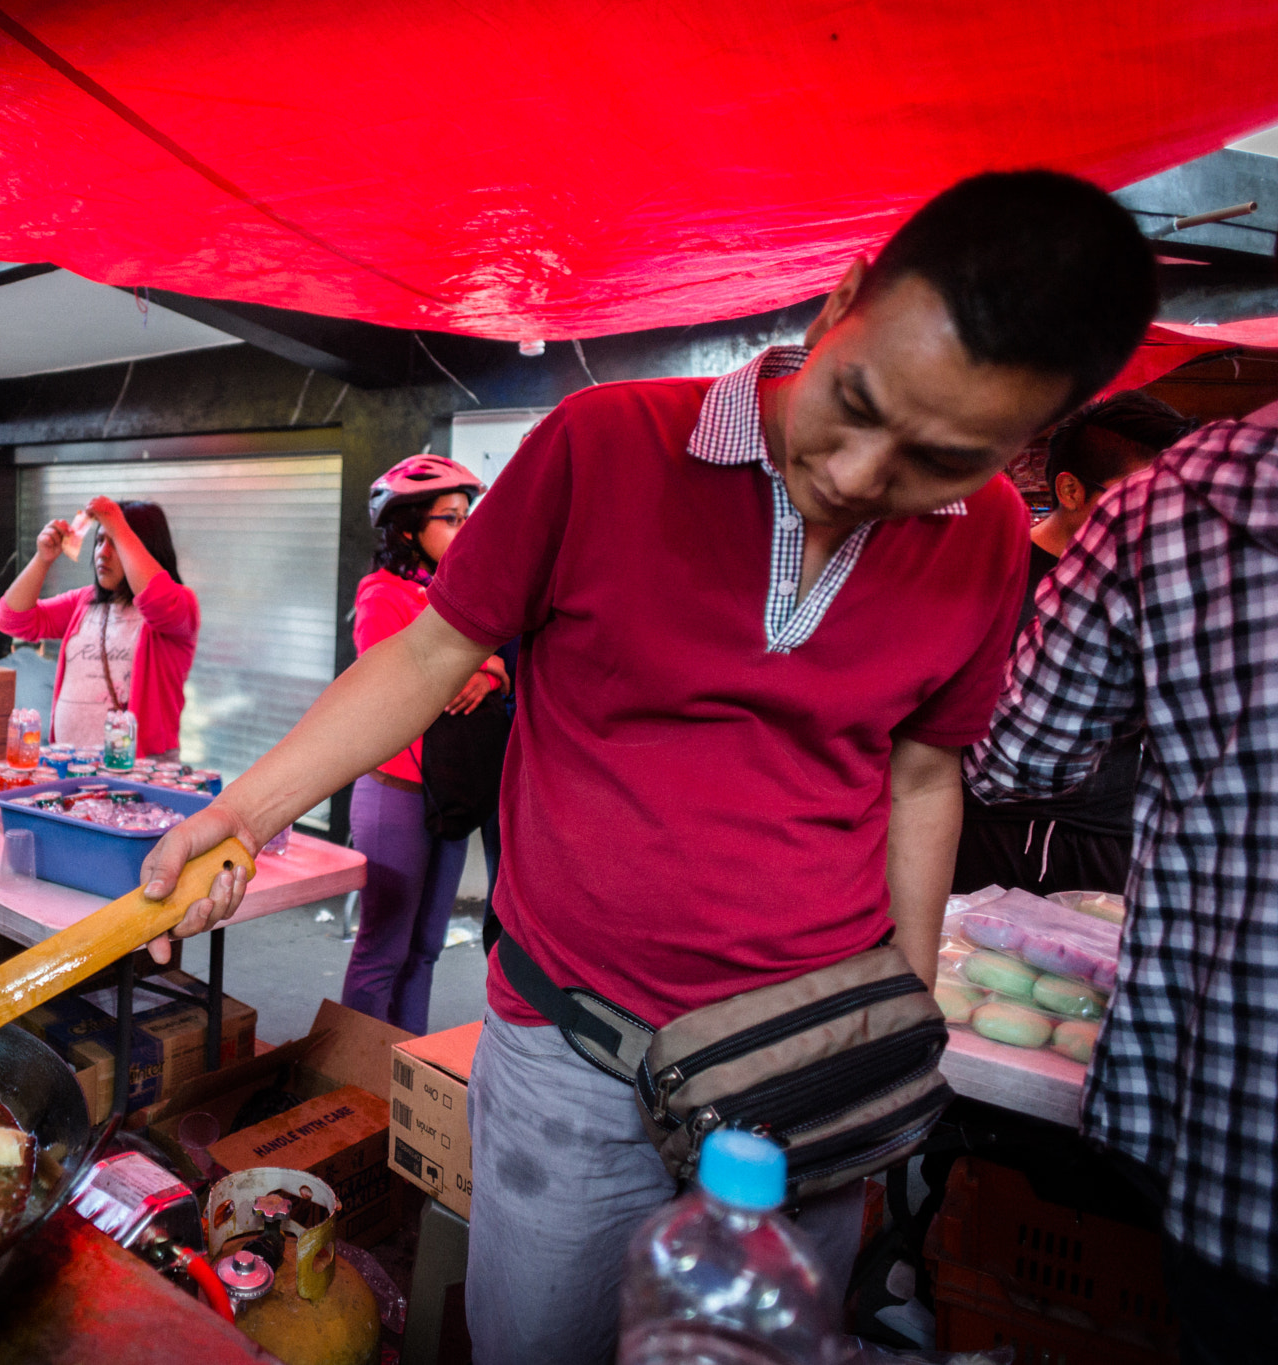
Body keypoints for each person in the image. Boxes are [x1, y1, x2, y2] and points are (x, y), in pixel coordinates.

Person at [136, 170, 1158, 1363]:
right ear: (844, 300)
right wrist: (243, 814)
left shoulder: (983, 534)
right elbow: (428, 656)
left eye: (939, 455)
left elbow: (922, 776)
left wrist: (901, 1009)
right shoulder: (604, 444)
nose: (862, 473)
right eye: (858, 402)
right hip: (577, 1046)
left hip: (801, 1068)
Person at [965, 405, 1278, 1364]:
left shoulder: (1169, 506)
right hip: (1024, 859)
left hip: (1240, 1133)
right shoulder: (1000, 561)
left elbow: (1015, 749)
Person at [952, 392, 1193, 896]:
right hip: (986, 836)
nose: (1169, 514)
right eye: (1144, 496)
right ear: (1071, 489)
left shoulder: (1177, 586)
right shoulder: (990, 572)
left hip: (1114, 844)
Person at [342, 456, 507, 1032]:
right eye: (451, 519)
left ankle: (403, 1074)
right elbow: (401, 684)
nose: (464, 530)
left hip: (449, 791)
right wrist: (472, 669)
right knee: (381, 950)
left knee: (426, 951)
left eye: (466, 517)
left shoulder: (453, 592)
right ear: (408, 527)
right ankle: (354, 1083)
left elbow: (493, 663)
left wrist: (484, 672)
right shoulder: (379, 593)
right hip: (395, 791)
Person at [0, 496, 199, 759]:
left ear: (147, 548)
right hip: (70, 768)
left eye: (115, 541)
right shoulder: (83, 602)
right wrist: (43, 559)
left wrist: (117, 523)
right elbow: (11, 619)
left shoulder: (180, 605)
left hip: (139, 773)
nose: (102, 553)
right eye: (100, 540)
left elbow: (155, 598)